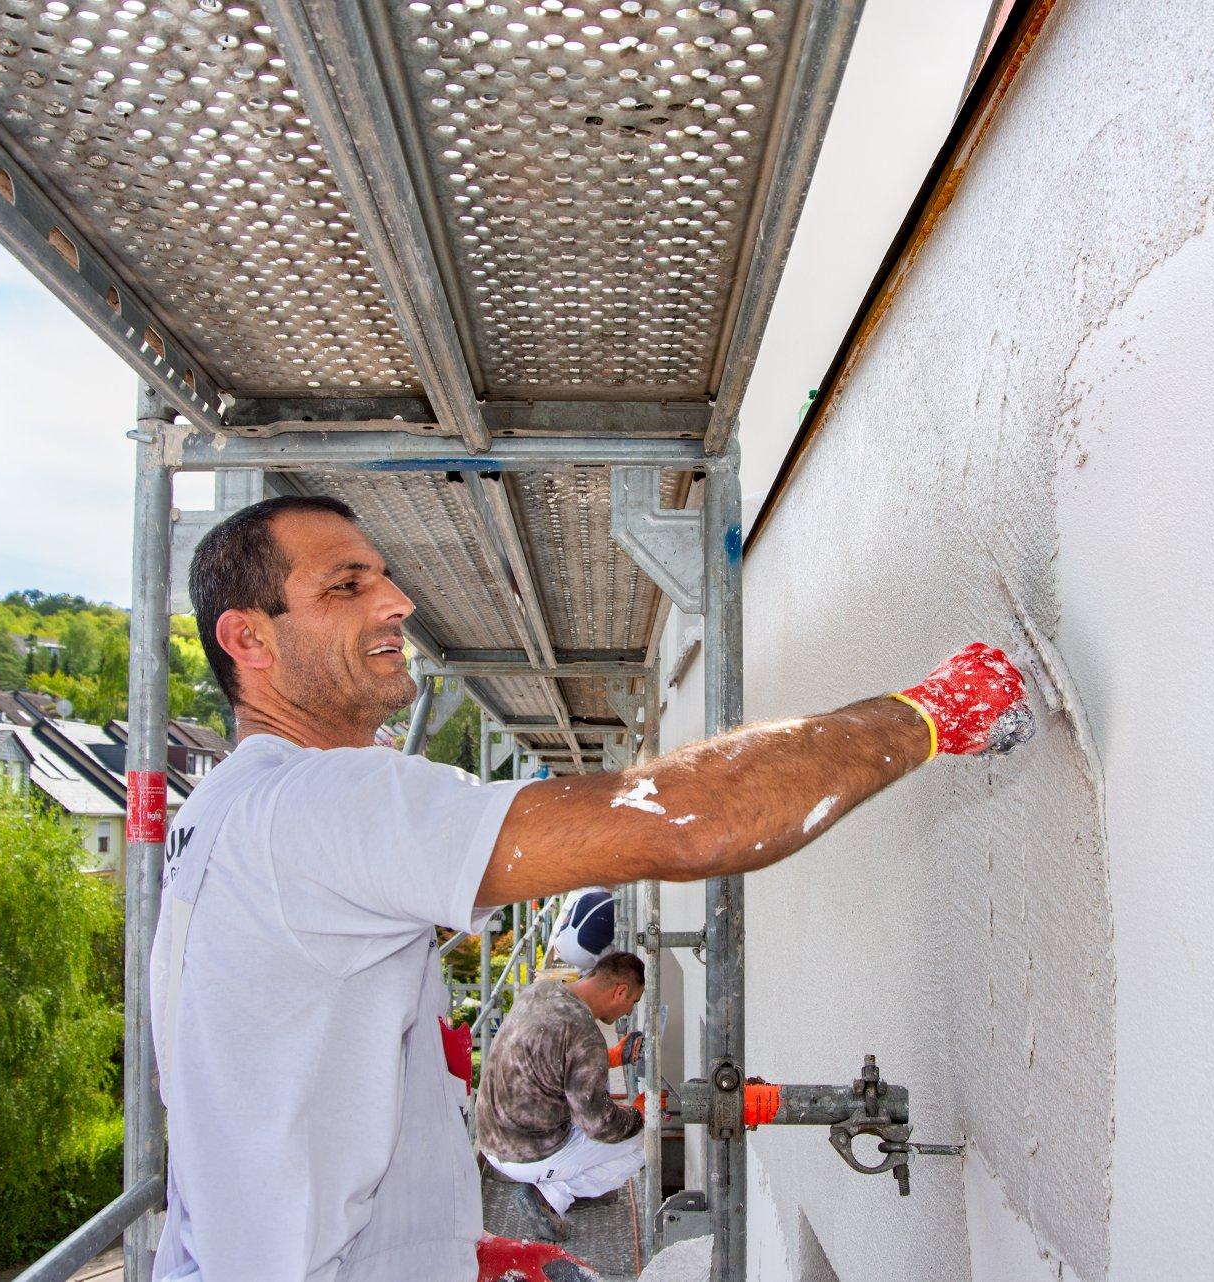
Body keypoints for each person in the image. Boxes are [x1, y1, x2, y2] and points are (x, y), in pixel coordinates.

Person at [148, 494, 1027, 1281]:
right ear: (248, 639)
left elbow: (264, 1112)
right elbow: (685, 819)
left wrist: (445, 1251)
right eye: (345, 587)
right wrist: (929, 714)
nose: (397, 602)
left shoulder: (228, 811)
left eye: (385, 576)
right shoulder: (317, 804)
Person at [475, 951, 649, 1241]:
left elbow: (551, 1058)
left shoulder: (542, 991)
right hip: (526, 1152)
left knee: (604, 1119)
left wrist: (611, 1058)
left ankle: (557, 1183)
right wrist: (639, 1113)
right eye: (632, 1002)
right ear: (620, 991)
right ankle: (551, 1194)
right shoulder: (585, 1032)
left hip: (492, 1140)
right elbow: (600, 1125)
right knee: (642, 1140)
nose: (629, 1012)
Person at [546, 885, 617, 970]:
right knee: (617, 951)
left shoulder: (584, 896)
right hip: (581, 954)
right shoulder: (612, 904)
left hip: (559, 947)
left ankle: (583, 975)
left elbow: (564, 921)